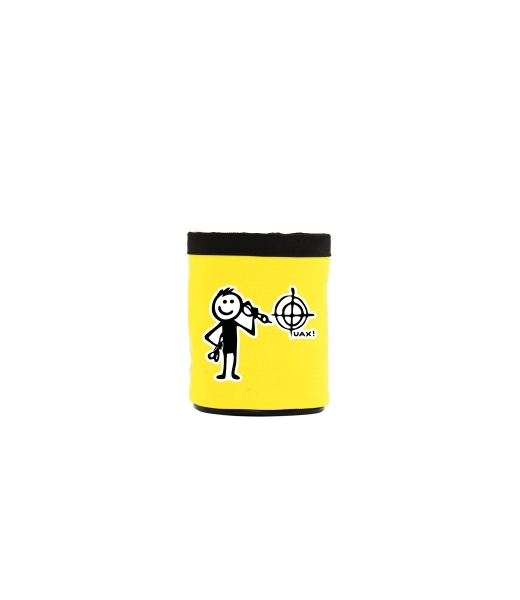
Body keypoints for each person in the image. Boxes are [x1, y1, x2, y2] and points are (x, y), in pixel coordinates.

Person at [204, 287, 270, 381]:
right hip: (225, 343)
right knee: (226, 357)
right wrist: (217, 344)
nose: (228, 305)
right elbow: (208, 336)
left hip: (233, 342)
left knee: (233, 356)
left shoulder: (235, 321)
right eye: (224, 302)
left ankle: (232, 373)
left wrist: (253, 316)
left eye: (232, 302)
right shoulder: (224, 322)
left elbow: (249, 329)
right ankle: (224, 373)